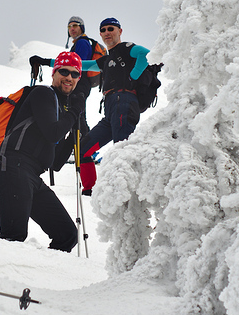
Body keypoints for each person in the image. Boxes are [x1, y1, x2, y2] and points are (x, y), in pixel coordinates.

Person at [30, 17, 150, 195]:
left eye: (111, 29)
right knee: (83, 149)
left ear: (120, 31)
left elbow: (144, 54)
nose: (107, 33)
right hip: (111, 108)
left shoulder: (126, 48)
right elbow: (79, 65)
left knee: (122, 150)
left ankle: (129, 195)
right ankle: (90, 189)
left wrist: (133, 76)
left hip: (124, 102)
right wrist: (47, 62)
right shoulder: (106, 59)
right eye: (103, 30)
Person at [0, 51, 84, 252]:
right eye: (64, 71)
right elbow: (52, 133)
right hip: (14, 168)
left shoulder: (60, 108)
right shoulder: (42, 94)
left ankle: (40, 277)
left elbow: (56, 163)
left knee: (67, 235)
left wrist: (77, 129)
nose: (69, 77)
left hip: (32, 176)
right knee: (13, 236)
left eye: (75, 74)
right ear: (54, 73)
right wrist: (75, 112)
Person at [49, 17, 105, 172]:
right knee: (79, 116)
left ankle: (85, 149)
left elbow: (77, 65)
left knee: (78, 116)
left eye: (75, 26)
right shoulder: (80, 43)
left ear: (82, 28)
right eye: (69, 26)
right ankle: (85, 149)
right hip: (80, 83)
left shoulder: (81, 43)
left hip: (78, 84)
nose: (72, 29)